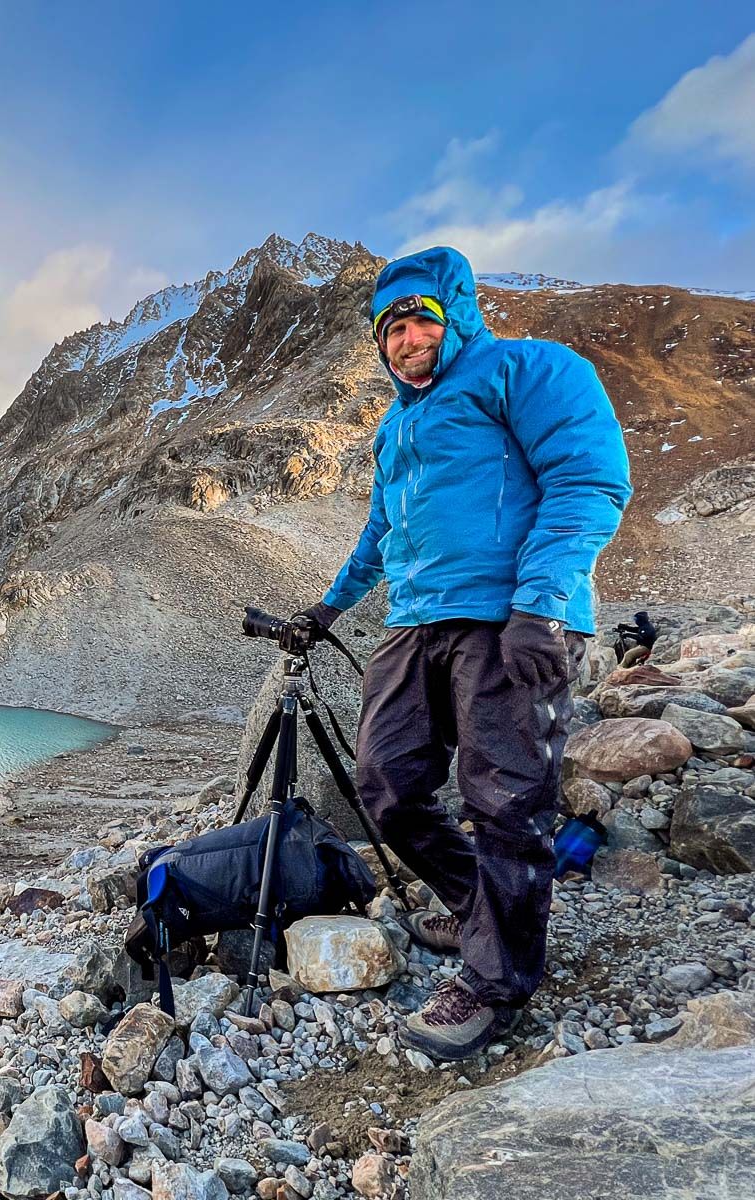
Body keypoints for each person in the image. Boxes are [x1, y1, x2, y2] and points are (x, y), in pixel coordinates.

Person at [292, 245, 631, 1061]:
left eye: (419, 321)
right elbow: (380, 535)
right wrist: (328, 605)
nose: (406, 341)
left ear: (454, 317)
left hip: (509, 618)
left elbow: (588, 482)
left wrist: (539, 605)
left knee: (506, 798)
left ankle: (497, 981)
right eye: (391, 332)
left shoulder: (529, 371)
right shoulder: (393, 427)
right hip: (417, 624)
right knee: (386, 783)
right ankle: (481, 906)